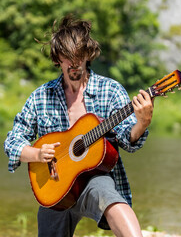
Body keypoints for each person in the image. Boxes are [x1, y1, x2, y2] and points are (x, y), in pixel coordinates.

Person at [4, 15, 153, 237]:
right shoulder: (41, 97)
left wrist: (142, 122)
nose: (74, 64)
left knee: (110, 197)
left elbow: (127, 139)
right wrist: (36, 153)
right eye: (67, 57)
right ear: (57, 59)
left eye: (79, 56)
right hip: (54, 190)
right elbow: (13, 141)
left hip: (94, 178)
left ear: (88, 55)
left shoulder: (110, 90)